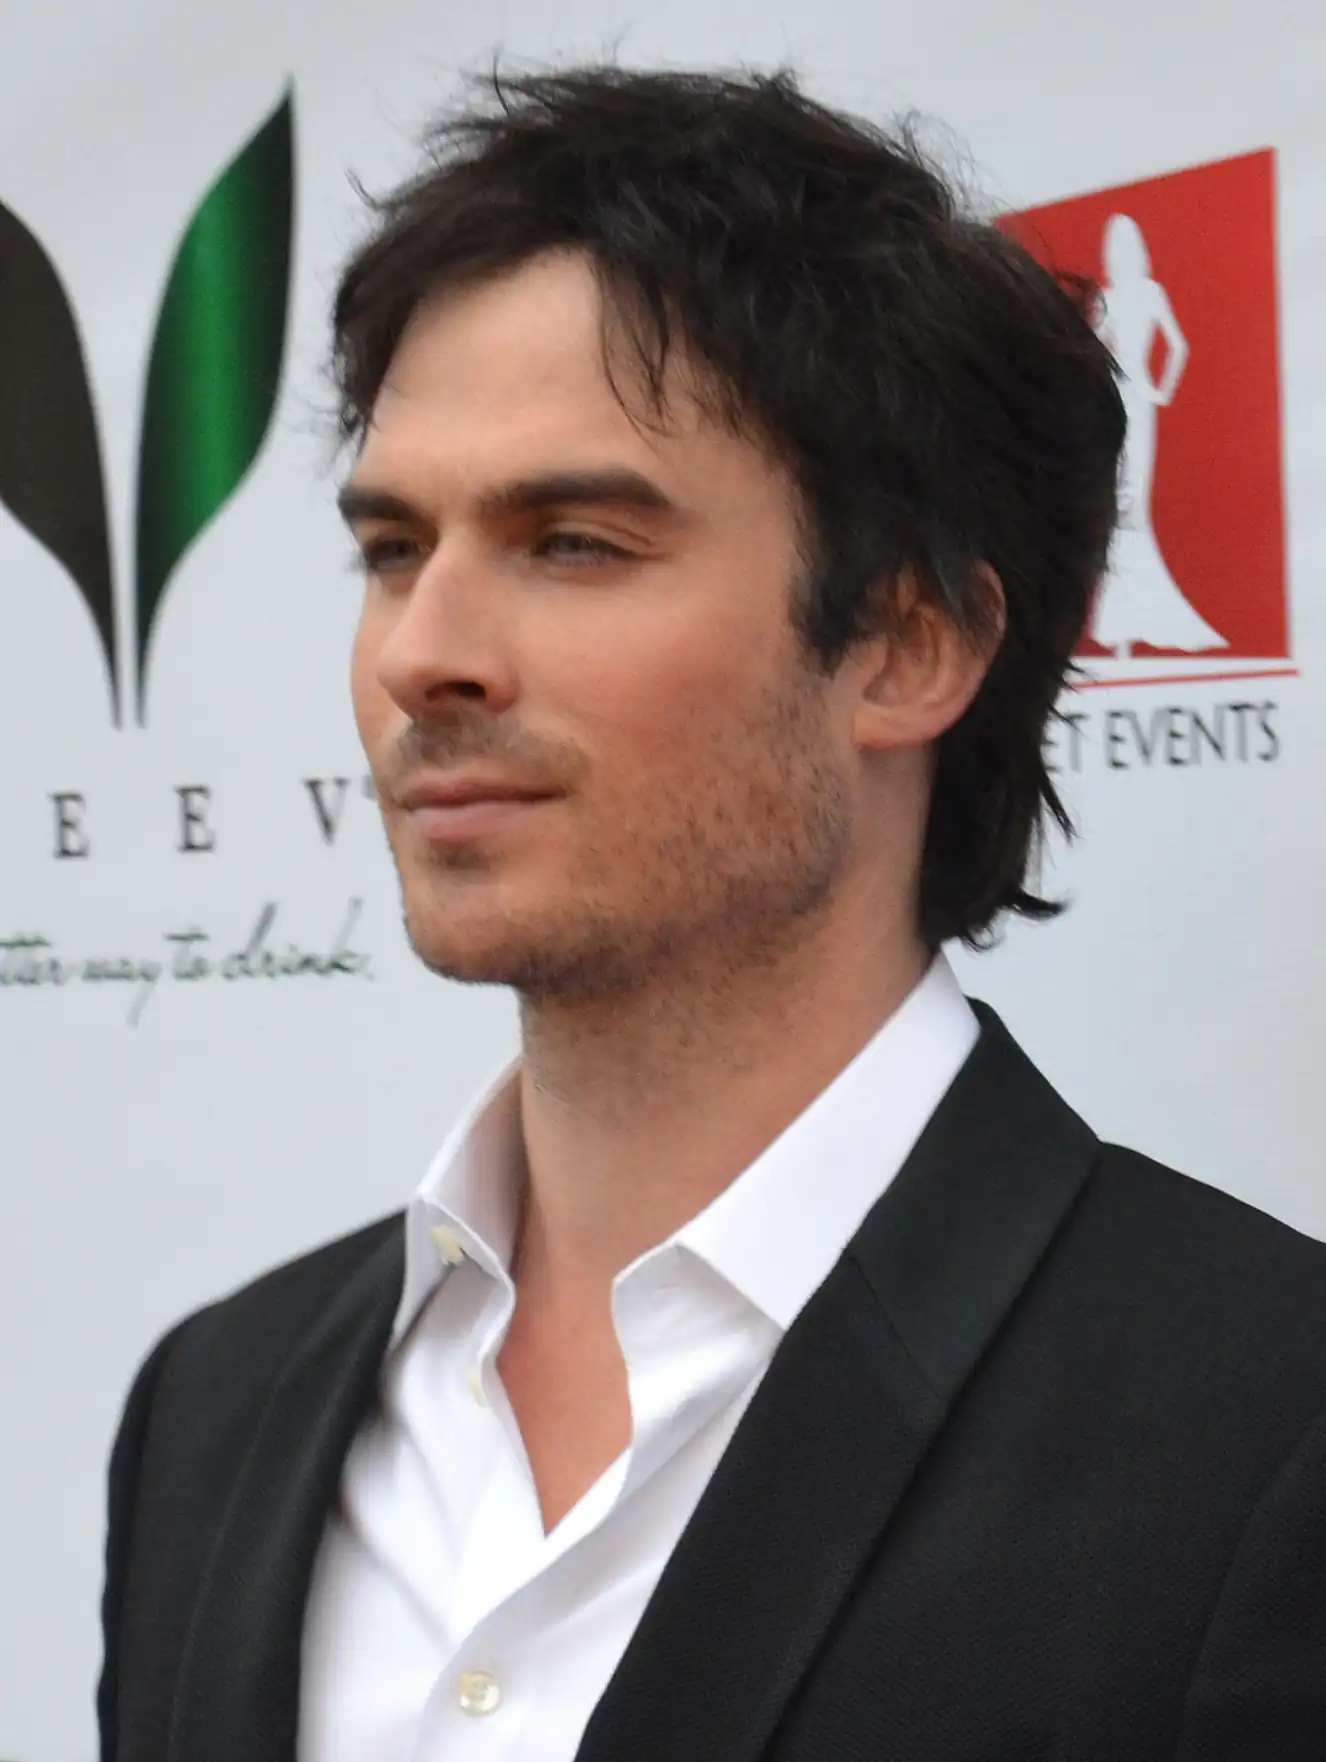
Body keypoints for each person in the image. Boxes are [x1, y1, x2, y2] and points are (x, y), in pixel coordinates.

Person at [97, 67, 1326, 1762]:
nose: (421, 653)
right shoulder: (214, 1408)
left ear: (905, 646)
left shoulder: (1264, 1431)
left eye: (574, 542)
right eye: (392, 548)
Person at [1089, 210, 1227, 657]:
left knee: (1131, 505)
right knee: (1123, 505)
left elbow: (1178, 346)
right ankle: (1121, 624)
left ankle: (1130, 622)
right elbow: (1100, 353)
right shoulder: (1117, 297)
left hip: (1133, 402)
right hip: (1125, 404)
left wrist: (1160, 390)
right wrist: (1154, 389)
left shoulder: (1146, 293)